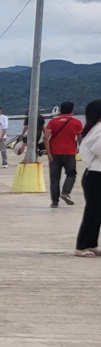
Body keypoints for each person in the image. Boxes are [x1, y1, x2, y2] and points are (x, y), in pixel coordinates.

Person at [44, 101, 83, 208]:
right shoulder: (77, 122)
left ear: (60, 110)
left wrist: (48, 153)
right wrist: (82, 150)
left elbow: (46, 137)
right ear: (72, 110)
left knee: (54, 178)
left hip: (54, 153)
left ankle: (54, 202)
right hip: (69, 153)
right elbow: (80, 138)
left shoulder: (53, 122)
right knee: (71, 174)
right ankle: (65, 192)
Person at [75, 100, 101, 255]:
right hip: (96, 175)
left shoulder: (94, 129)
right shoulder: (99, 129)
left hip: (94, 174)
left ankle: (90, 243)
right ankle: (81, 246)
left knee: (96, 211)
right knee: (93, 211)